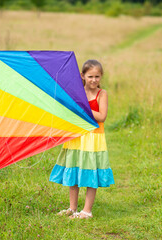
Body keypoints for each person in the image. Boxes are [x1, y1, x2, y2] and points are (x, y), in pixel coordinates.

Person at [49, 59, 115, 219]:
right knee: (74, 170)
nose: (94, 80)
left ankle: (86, 211)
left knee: (90, 172)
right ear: (82, 76)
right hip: (76, 137)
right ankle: (72, 208)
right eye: (90, 76)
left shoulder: (102, 94)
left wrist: (83, 108)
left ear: (101, 77)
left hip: (93, 139)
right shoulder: (76, 92)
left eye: (97, 77)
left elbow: (102, 116)